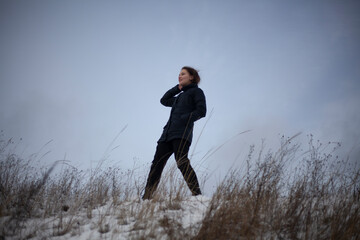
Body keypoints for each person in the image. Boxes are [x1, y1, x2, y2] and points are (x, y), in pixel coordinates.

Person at [142, 66, 206, 200]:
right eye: (179, 74)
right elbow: (164, 100)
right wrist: (177, 88)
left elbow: (201, 111)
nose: (180, 76)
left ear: (191, 77)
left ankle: (197, 195)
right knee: (156, 165)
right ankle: (147, 198)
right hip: (166, 135)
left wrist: (184, 119)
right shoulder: (179, 97)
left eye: (183, 74)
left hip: (182, 134)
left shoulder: (196, 92)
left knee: (181, 162)